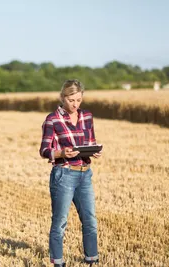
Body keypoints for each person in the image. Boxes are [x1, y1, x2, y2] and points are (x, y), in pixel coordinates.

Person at [39, 79, 102, 267]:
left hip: (85, 174)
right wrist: (61, 153)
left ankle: (92, 259)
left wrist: (94, 150)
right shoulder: (52, 119)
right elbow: (44, 150)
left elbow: (90, 141)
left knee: (90, 220)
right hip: (64, 174)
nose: (76, 105)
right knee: (60, 223)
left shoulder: (87, 117)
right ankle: (58, 262)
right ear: (62, 97)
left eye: (79, 100)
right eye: (72, 100)